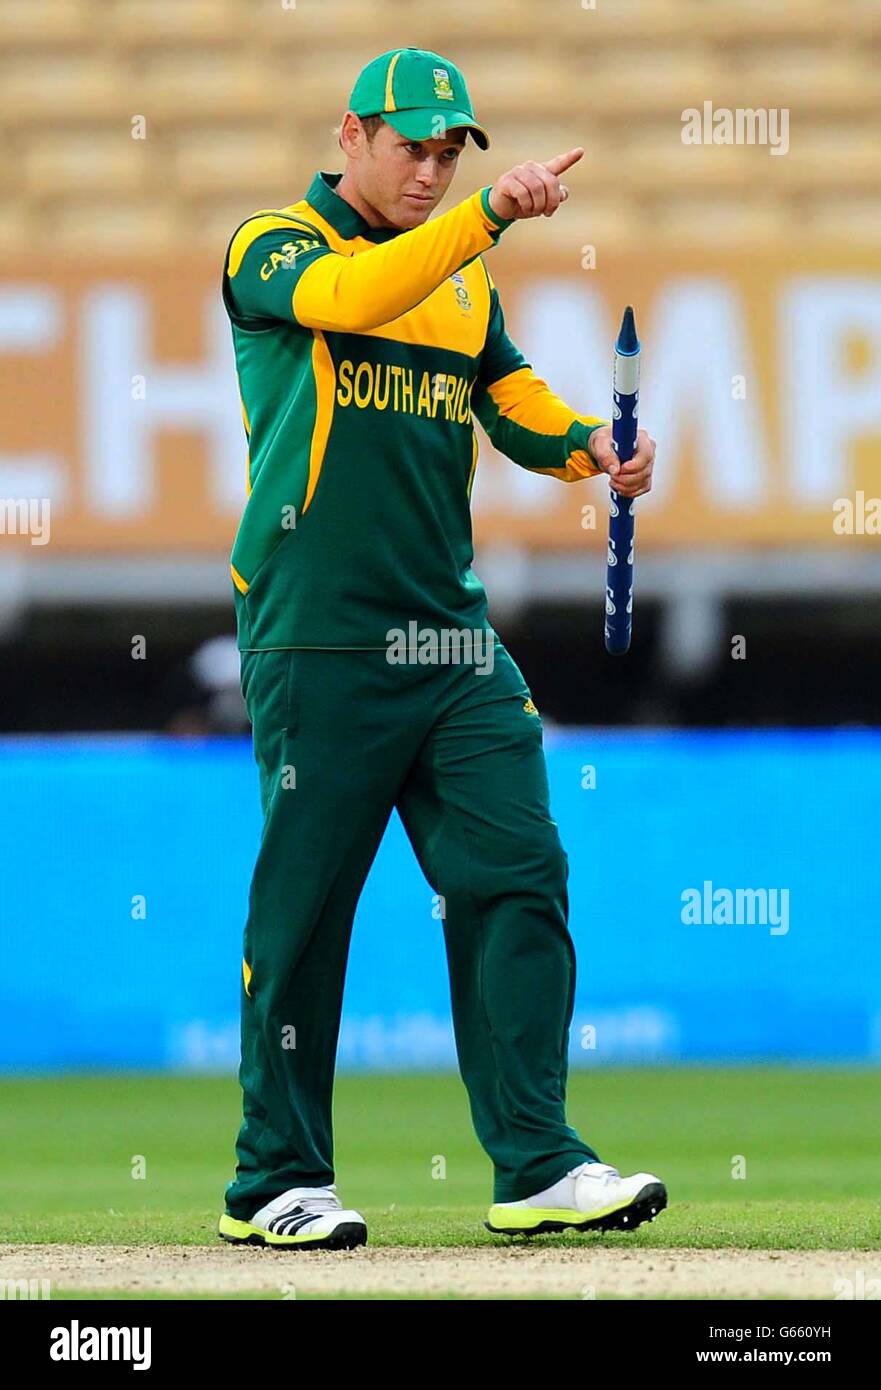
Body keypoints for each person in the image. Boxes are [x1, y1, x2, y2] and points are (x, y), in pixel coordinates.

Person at [217, 47, 662, 1249]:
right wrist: (488, 215)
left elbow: (503, 391)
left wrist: (588, 450)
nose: (429, 168)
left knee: (517, 872)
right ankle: (275, 1179)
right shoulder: (274, 248)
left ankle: (536, 1161)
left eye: (447, 150)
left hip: (448, 640)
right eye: (410, 145)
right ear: (348, 135)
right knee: (304, 915)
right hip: (316, 637)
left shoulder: (463, 282)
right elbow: (355, 300)